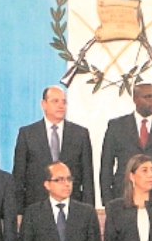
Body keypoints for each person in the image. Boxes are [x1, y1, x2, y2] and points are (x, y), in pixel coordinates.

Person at [100, 82, 152, 207]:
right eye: (148, 97)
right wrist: (108, 201)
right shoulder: (116, 126)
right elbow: (106, 166)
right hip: (123, 198)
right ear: (136, 99)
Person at [13, 85, 94, 213]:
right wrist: (18, 211)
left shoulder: (80, 134)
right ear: (43, 104)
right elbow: (19, 176)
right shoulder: (27, 134)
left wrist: (89, 210)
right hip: (36, 206)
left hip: (72, 207)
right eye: (55, 101)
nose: (61, 106)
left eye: (63, 102)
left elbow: (87, 177)